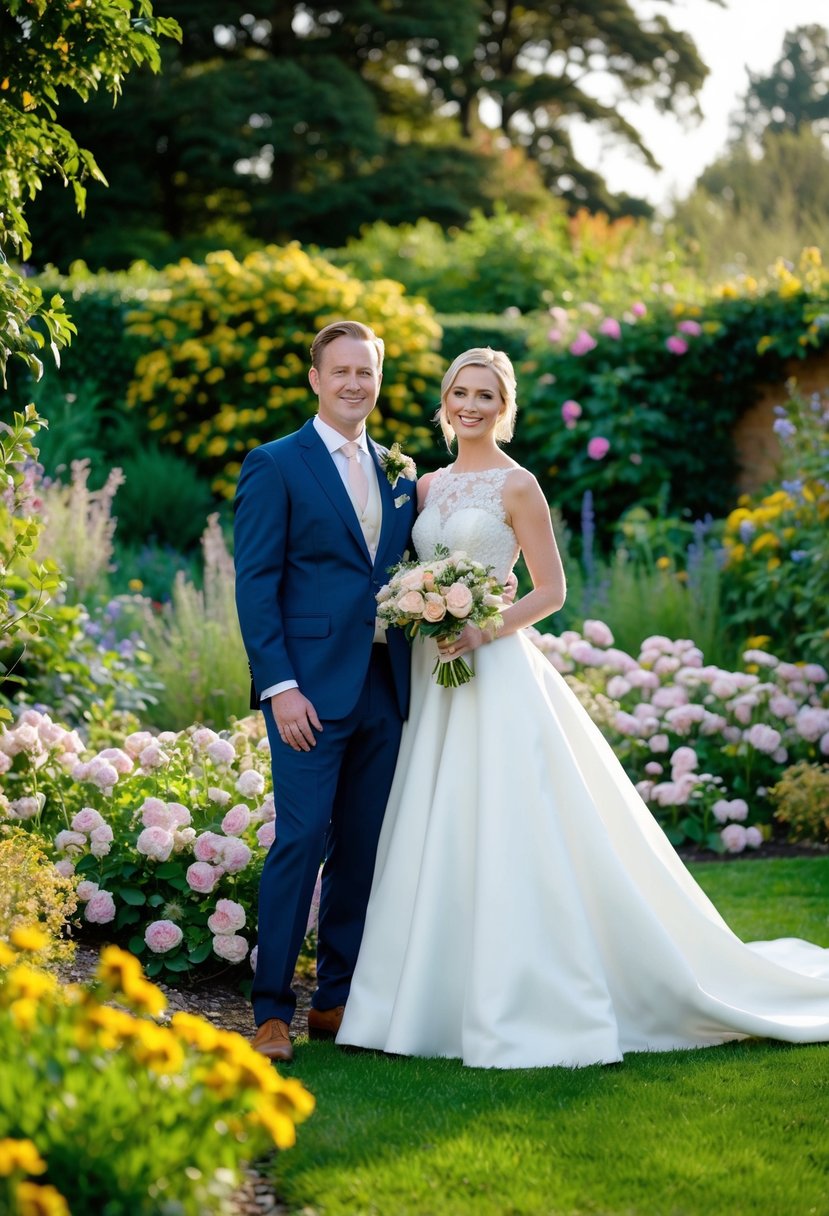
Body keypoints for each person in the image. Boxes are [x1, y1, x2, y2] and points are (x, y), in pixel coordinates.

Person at [337, 346, 829, 1069]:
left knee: (506, 823)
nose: (470, 405)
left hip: (493, 667)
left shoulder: (518, 485)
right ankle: (421, 999)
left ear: (501, 407)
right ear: (444, 402)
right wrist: (423, 611)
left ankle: (525, 992)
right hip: (430, 672)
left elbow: (550, 592)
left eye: (484, 395)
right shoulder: (423, 484)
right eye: (459, 393)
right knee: (431, 821)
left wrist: (480, 625)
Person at [233, 320, 418, 1062]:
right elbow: (255, 583)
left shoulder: (399, 472)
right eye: (338, 371)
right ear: (315, 379)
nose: (352, 384)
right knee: (302, 839)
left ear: (377, 380)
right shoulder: (275, 463)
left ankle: (335, 998)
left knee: (361, 847)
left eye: (364, 373)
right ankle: (272, 1009)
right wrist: (279, 686)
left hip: (384, 684)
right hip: (305, 691)